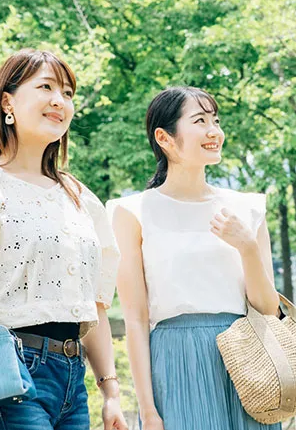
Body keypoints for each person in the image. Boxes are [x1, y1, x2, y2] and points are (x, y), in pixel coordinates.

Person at [0, 49, 128, 430]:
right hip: (10, 375)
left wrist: (111, 393)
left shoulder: (79, 196)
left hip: (74, 382)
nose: (60, 100)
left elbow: (95, 306)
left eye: (68, 93)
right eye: (46, 87)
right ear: (8, 101)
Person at [108, 86, 280, 430]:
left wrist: (246, 247)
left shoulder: (247, 208)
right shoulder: (132, 212)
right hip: (175, 359)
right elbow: (136, 319)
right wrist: (148, 411)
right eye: (200, 121)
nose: (214, 131)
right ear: (165, 138)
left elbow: (268, 307)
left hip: (247, 359)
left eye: (215, 120)